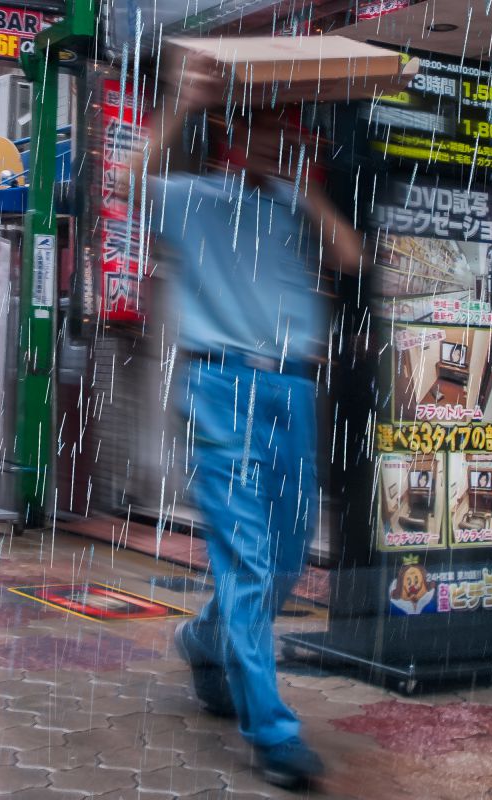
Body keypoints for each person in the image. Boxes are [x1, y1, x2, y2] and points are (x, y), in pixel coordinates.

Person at [131, 52, 363, 788]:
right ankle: (272, 733)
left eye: (285, 132)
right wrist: (183, 103)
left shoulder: (295, 209)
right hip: (220, 389)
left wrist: (307, 190)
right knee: (250, 560)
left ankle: (205, 638)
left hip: (291, 393)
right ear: (232, 135)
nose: (274, 143)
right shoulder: (193, 197)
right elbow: (126, 182)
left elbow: (353, 259)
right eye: (262, 130)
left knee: (289, 557)